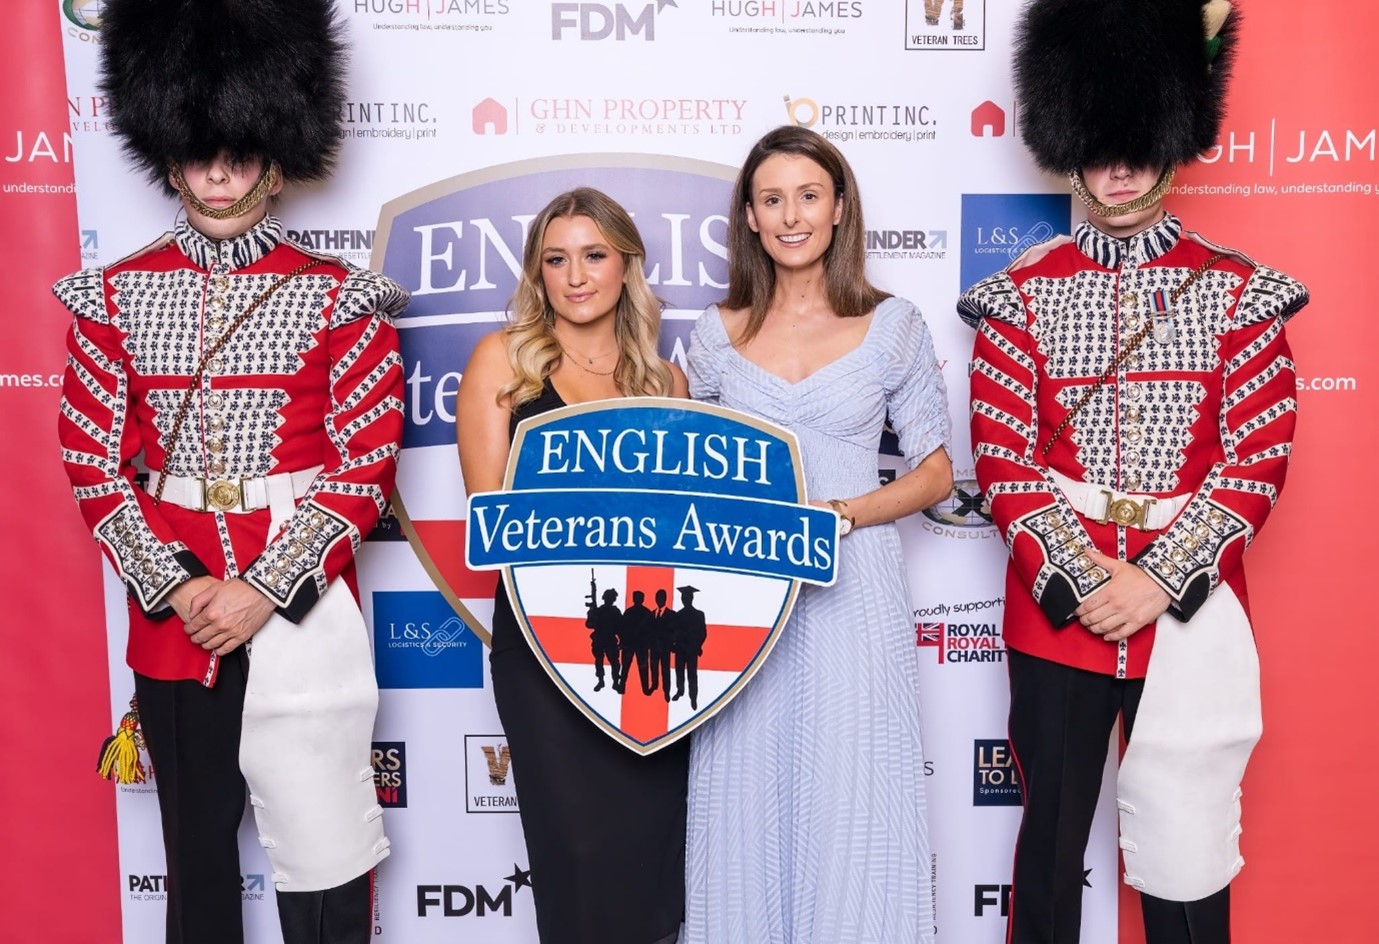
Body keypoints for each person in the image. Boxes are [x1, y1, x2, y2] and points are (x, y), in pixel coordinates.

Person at [54, 2, 406, 943]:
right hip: (175, 615)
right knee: (196, 863)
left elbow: (363, 463)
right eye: (200, 150)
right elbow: (90, 459)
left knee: (327, 859)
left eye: (239, 149)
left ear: (276, 161)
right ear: (170, 161)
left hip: (303, 603)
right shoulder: (110, 295)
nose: (217, 167)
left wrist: (262, 588)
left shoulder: (342, 296)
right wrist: (175, 586)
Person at [957, 3, 1308, 942]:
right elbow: (1004, 461)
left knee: (1187, 850)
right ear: (1067, 142)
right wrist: (1084, 579)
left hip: (1187, 617)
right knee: (1049, 849)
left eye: (1137, 141)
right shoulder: (1017, 296)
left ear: (1171, 139)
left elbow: (1254, 461)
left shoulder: (1240, 291)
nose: (1119, 164)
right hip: (1057, 616)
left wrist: (1155, 579)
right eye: (1100, 141)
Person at [684, 124, 953, 944]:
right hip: (744, 598)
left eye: (808, 196)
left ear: (838, 209)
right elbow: (697, 473)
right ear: (751, 218)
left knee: (856, 788)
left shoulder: (892, 324)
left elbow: (935, 474)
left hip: (854, 590)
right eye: (772, 200)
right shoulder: (713, 336)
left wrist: (840, 515)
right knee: (743, 788)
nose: (791, 216)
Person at [455, 187, 691, 944]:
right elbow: (491, 517)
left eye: (594, 256)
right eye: (555, 260)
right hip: (546, 647)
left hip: (648, 656)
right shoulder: (504, 363)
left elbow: (685, 535)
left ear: (627, 265)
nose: (575, 276)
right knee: (576, 858)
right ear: (537, 272)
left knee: (651, 865)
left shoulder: (666, 382)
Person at [671, 585, 706, 709]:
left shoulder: (699, 614)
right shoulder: (678, 615)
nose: (684, 599)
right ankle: (680, 691)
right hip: (681, 648)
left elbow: (702, 632)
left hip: (691, 649)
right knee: (679, 672)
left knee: (692, 674)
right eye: (683, 597)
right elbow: (673, 632)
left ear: (690, 599)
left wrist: (697, 645)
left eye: (686, 597)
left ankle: (693, 698)